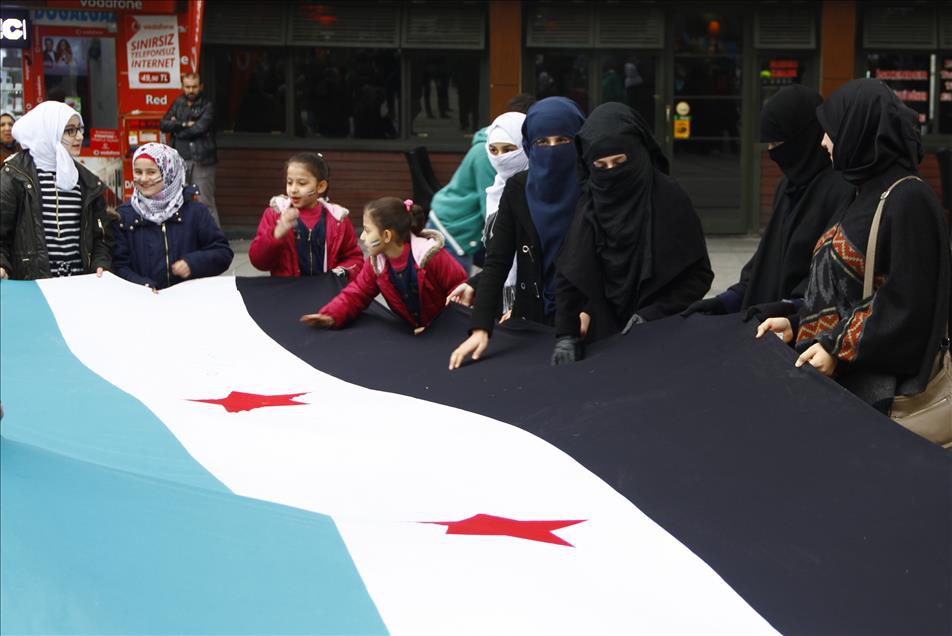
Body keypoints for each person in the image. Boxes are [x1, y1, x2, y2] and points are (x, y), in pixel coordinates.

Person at [757, 78, 951, 417]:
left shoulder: (909, 198)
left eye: (831, 130)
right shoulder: (861, 191)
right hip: (844, 384)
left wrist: (835, 348)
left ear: (859, 130)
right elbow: (843, 291)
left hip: (882, 400)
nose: (823, 141)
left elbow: (907, 302)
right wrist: (797, 323)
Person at [551, 102, 713, 364]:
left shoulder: (670, 199)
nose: (611, 172)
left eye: (620, 161)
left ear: (638, 153)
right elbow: (571, 277)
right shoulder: (591, 205)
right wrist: (565, 335)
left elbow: (698, 275)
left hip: (664, 338)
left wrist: (654, 314)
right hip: (602, 343)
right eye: (601, 166)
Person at [682, 85, 855, 322]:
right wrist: (728, 300)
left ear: (804, 137)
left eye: (778, 143)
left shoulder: (842, 190)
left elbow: (833, 279)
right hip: (771, 325)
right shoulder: (789, 186)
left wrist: (789, 311)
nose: (773, 153)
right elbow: (768, 261)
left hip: (809, 333)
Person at [448, 96, 586, 370]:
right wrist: (480, 328)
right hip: (530, 316)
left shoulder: (593, 187)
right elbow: (498, 260)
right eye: (542, 143)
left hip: (582, 318)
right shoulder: (518, 188)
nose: (552, 149)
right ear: (529, 145)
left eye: (563, 141)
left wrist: (592, 310)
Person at [301, 197, 467, 333]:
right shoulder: (376, 265)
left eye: (367, 230)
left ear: (387, 235)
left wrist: (436, 330)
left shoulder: (432, 257)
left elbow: (460, 293)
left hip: (446, 335)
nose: (363, 238)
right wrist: (331, 315)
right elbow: (357, 293)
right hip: (414, 333)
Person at [0, 101, 113, 280]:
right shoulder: (14, 176)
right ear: (48, 132)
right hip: (35, 287)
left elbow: (101, 236)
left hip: (80, 284)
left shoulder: (85, 180)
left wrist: (101, 263)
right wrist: (2, 265)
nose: (79, 137)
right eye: (70, 130)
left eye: (80, 129)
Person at [428, 94, 536, 271]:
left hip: (472, 228)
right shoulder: (487, 154)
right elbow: (492, 208)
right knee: (457, 295)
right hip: (453, 229)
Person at [112, 143, 232, 290]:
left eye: (151, 172)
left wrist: (192, 264)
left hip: (189, 302)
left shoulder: (195, 212)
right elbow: (118, 265)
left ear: (169, 173)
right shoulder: (124, 215)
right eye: (138, 172)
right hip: (143, 305)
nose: (143, 179)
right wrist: (142, 286)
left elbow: (223, 253)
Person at [248, 152, 363, 281]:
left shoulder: (338, 219)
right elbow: (259, 262)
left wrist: (342, 271)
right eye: (289, 182)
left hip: (325, 293)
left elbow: (354, 258)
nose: (293, 189)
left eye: (302, 183)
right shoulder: (274, 215)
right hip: (288, 292)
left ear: (320, 186)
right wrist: (275, 234)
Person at [160, 73, 219, 226]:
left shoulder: (208, 105)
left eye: (194, 87)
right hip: (180, 159)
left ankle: (215, 240)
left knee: (205, 202)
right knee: (178, 201)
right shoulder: (178, 102)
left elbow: (199, 128)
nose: (191, 90)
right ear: (182, 87)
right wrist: (185, 124)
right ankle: (185, 238)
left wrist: (177, 126)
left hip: (202, 159)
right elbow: (163, 124)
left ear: (201, 87)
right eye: (187, 87)